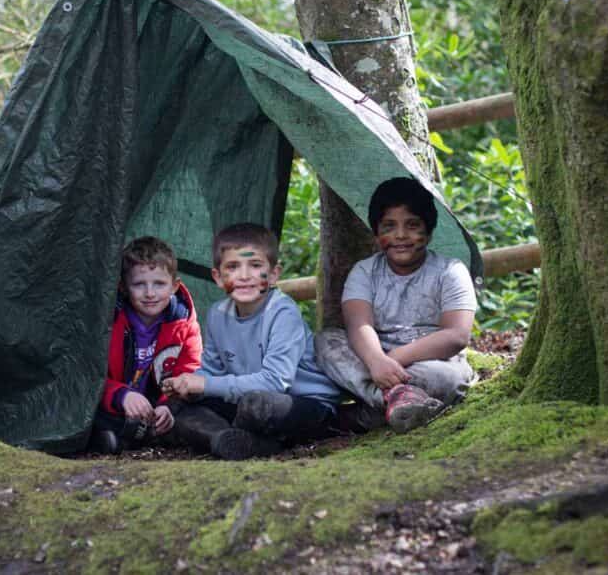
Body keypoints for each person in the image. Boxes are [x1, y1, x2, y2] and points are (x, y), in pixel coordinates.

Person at [162, 223, 342, 460]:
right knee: (177, 409)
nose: (244, 276)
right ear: (218, 277)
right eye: (233, 267)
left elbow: (275, 382)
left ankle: (252, 441)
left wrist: (204, 385)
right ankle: (225, 439)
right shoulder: (218, 314)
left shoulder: (282, 312)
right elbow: (212, 371)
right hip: (246, 400)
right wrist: (187, 387)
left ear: (274, 274)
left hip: (302, 405)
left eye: (255, 266)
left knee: (256, 405)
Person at [315, 177, 476, 434]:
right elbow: (359, 325)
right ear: (377, 232)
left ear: (429, 230)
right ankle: (400, 400)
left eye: (412, 225)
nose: (401, 235)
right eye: (389, 226)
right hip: (373, 357)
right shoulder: (364, 272)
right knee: (327, 342)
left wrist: (392, 361)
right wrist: (376, 359)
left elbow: (456, 335)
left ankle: (369, 413)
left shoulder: (450, 271)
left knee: (450, 378)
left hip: (429, 362)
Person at [90, 236, 202, 455]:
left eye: (159, 284)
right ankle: (112, 435)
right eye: (139, 284)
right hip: (113, 403)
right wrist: (120, 395)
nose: (150, 293)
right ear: (123, 287)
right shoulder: (109, 319)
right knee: (93, 415)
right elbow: (87, 375)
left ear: (174, 286)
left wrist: (166, 406)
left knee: (195, 408)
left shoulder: (184, 321)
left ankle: (139, 434)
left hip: (155, 405)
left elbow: (189, 371)